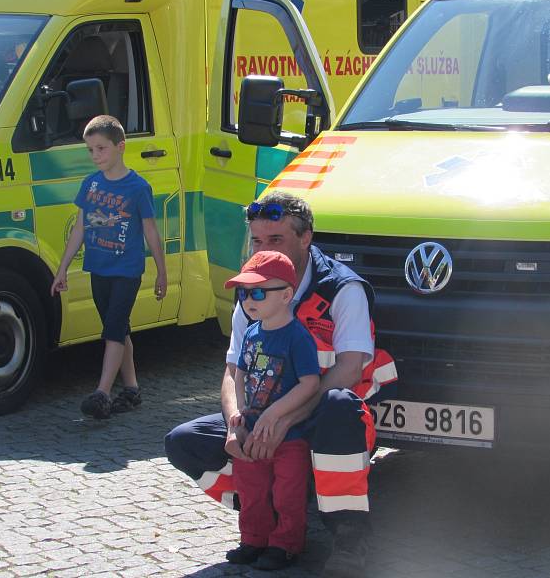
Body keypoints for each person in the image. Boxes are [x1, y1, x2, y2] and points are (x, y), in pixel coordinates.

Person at [165, 191, 398, 577]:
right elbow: (231, 370)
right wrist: (235, 423)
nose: (264, 249)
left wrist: (285, 419)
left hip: (328, 415)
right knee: (183, 441)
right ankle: (269, 519)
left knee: (339, 404)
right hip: (267, 414)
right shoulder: (251, 289)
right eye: (257, 240)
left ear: (306, 238)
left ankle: (349, 534)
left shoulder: (342, 288)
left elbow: (349, 370)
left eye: (277, 240)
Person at [51, 114, 167, 419]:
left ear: (120, 147)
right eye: (90, 150)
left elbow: (151, 231)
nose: (95, 156)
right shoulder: (89, 185)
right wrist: (62, 269)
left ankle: (102, 393)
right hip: (98, 268)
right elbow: (79, 228)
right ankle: (131, 389)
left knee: (112, 331)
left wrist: (161, 272)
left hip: (126, 270)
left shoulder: (137, 187)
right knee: (120, 330)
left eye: (101, 148)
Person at [223, 250, 320, 570]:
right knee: (251, 490)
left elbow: (310, 383)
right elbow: (238, 373)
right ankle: (253, 539)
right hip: (251, 430)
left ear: (287, 295)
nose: (249, 300)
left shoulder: (298, 337)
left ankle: (286, 544)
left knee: (286, 494)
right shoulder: (251, 331)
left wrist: (275, 413)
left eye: (259, 292)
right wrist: (237, 412)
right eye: (244, 293)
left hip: (289, 436)